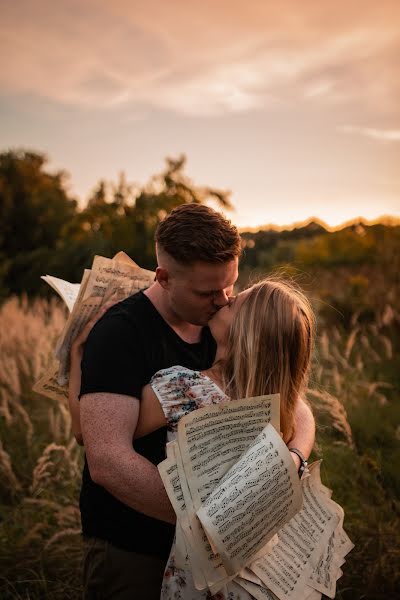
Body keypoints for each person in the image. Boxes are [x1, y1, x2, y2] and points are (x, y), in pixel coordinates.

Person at [71, 203, 315, 600]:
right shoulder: (120, 334)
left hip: (226, 560)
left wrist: (294, 458)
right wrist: (208, 527)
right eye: (207, 292)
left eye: (229, 286)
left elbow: (290, 398)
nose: (221, 300)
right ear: (164, 278)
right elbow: (106, 459)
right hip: (134, 546)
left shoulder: (224, 328)